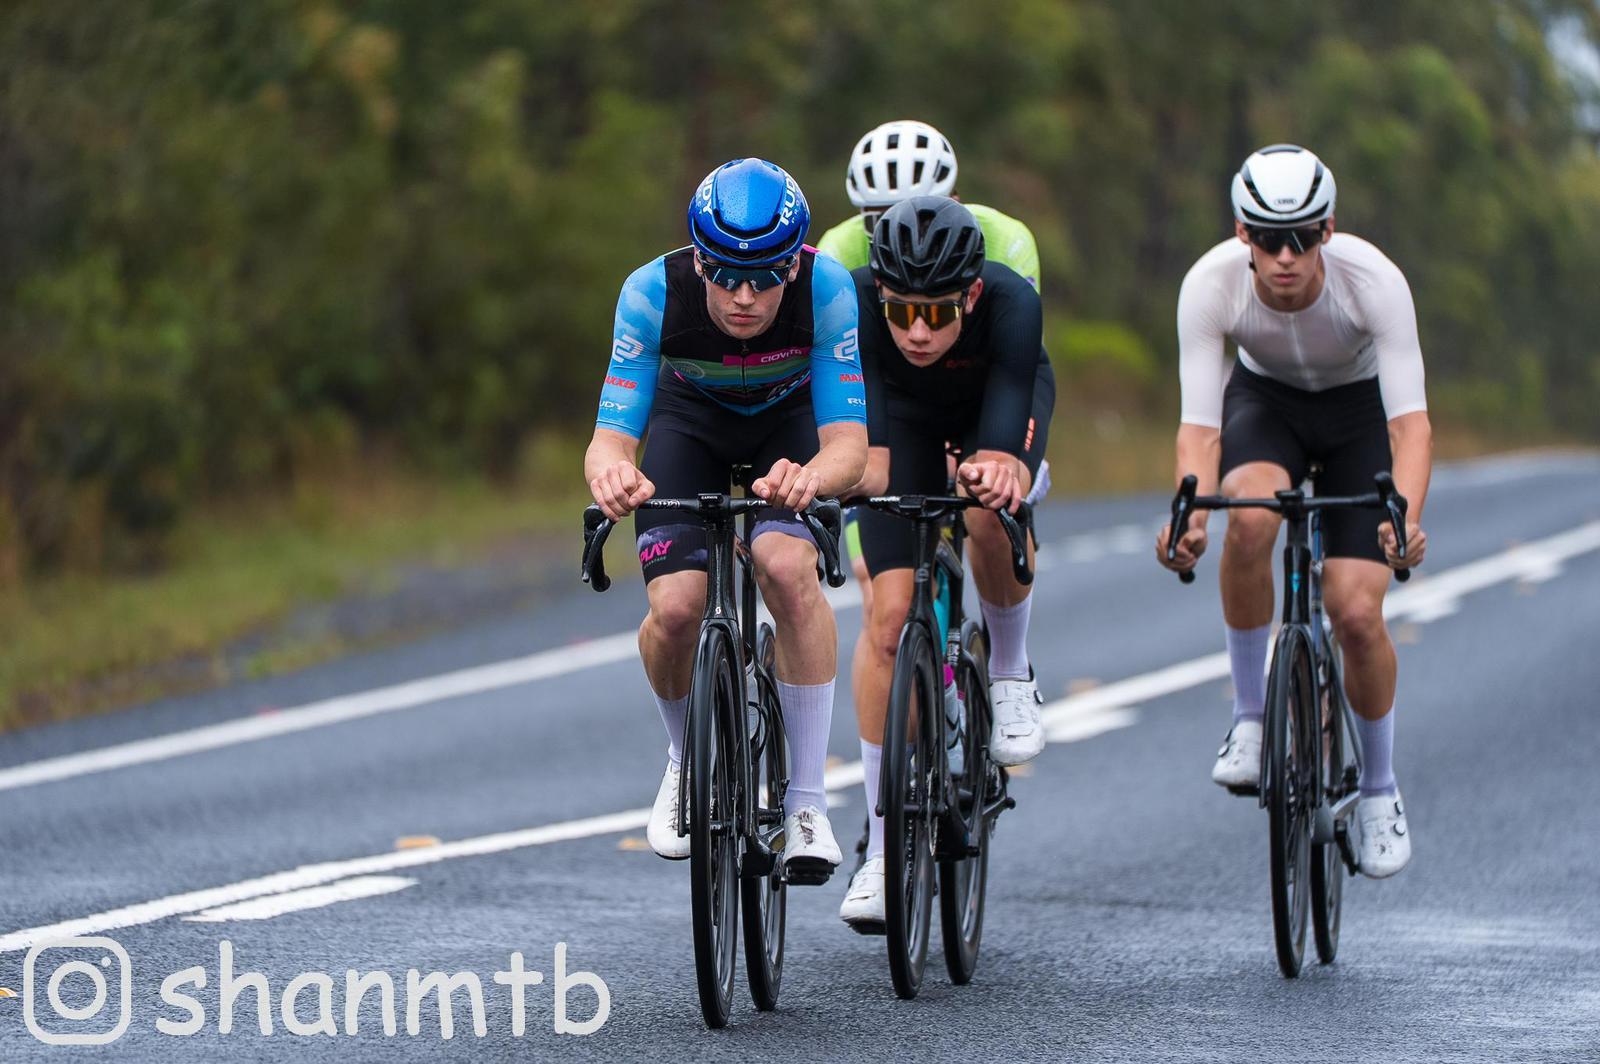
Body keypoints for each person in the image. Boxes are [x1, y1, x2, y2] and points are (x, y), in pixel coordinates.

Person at [585, 158, 868, 883]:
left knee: (783, 565)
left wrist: (809, 479)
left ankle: (807, 803)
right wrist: (614, 474)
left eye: (768, 276)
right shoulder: (652, 292)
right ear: (697, 260)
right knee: (676, 608)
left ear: (794, 267)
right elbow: (611, 439)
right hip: (692, 424)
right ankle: (684, 758)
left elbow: (851, 447)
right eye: (725, 274)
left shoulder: (829, 287)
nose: (745, 296)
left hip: (790, 427)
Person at [1155, 144, 1431, 878]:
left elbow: (1411, 427)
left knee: (1356, 612)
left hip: (1358, 415)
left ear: (1328, 230)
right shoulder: (1210, 285)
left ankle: (1378, 791)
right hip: (1265, 403)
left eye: (1303, 237)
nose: (1286, 256)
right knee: (1247, 519)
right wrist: (1191, 511)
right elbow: (1199, 427)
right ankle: (1249, 719)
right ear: (1242, 233)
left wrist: (1401, 517)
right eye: (1269, 238)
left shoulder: (1374, 282)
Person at [837, 196, 1055, 930]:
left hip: (989, 404)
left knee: (987, 510)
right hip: (901, 418)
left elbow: (1004, 432)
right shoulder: (858, 301)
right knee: (889, 616)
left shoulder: (1012, 302)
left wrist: (1000, 472)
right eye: (902, 314)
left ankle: (1010, 671)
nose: (919, 331)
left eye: (936, 313)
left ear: (970, 294)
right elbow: (864, 446)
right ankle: (880, 847)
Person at [816, 119, 1051, 663]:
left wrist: (1006, 460)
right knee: (882, 607)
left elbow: (1015, 363)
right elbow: (842, 380)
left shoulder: (1006, 240)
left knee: (989, 505)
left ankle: (1010, 669)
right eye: (878, 219)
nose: (903, 227)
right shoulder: (838, 252)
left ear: (957, 202)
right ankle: (911, 716)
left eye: (923, 207)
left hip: (982, 391)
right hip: (896, 406)